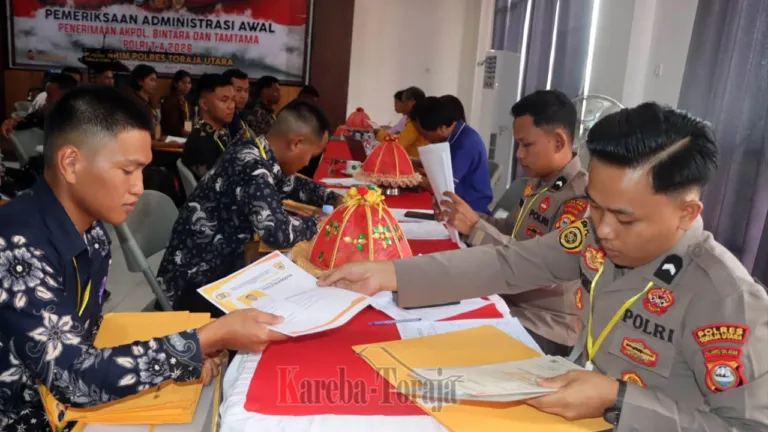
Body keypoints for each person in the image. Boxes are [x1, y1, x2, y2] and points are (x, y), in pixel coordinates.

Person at [319, 102, 768, 431]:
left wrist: (621, 401)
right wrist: (391, 273)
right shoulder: (595, 235)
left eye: (624, 217)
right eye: (594, 206)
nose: (604, 230)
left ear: (687, 214)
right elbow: (509, 263)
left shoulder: (727, 299)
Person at [0, 85, 288, 431]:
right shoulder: (17, 248)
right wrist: (204, 340)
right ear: (71, 163)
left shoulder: (91, 232)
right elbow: (73, 378)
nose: (138, 186)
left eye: (142, 170)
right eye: (127, 170)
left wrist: (187, 355)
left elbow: (83, 342)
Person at [157, 100, 344, 316]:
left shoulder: (257, 150)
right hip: (198, 282)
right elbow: (276, 232)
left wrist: (331, 197)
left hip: (218, 265)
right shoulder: (250, 163)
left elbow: (290, 183)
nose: (306, 164)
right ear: (296, 143)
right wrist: (322, 224)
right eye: (310, 157)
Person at [438, 90, 587, 356]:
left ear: (558, 141)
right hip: (507, 299)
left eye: (526, 145)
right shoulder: (539, 184)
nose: (518, 154)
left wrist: (475, 228)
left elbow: (548, 274)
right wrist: (467, 218)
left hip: (545, 324)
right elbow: (510, 231)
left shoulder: (578, 198)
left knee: (450, 348)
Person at [414, 96, 493, 214]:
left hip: (471, 212)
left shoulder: (466, 144)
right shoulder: (456, 136)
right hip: (456, 205)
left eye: (426, 135)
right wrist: (414, 164)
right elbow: (439, 169)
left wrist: (411, 177)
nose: (424, 138)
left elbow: (443, 189)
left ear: (442, 128)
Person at [181, 73, 235, 180]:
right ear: (204, 104)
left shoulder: (220, 133)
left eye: (232, 99)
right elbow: (218, 184)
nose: (231, 106)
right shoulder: (200, 141)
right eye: (224, 100)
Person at [2, 73, 78, 138]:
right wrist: (13, 122)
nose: (46, 100)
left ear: (66, 96)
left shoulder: (82, 117)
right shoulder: (48, 112)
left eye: (50, 95)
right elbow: (30, 120)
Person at [127, 64, 161, 139]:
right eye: (151, 80)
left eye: (155, 81)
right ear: (140, 81)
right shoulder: (135, 103)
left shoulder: (149, 102)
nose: (155, 84)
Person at [396, 86, 429, 157]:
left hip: (417, 164)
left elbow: (399, 143)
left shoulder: (415, 122)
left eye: (403, 102)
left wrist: (379, 134)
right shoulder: (420, 117)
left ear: (412, 102)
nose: (402, 105)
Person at [161, 70, 193, 138]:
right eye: (184, 82)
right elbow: (170, 124)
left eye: (189, 83)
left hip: (185, 136)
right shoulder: (170, 100)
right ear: (175, 84)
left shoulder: (187, 101)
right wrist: (182, 131)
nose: (187, 86)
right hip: (171, 138)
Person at [222, 69, 251, 139]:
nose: (243, 96)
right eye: (238, 90)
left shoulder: (242, 116)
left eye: (246, 91)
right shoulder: (222, 119)